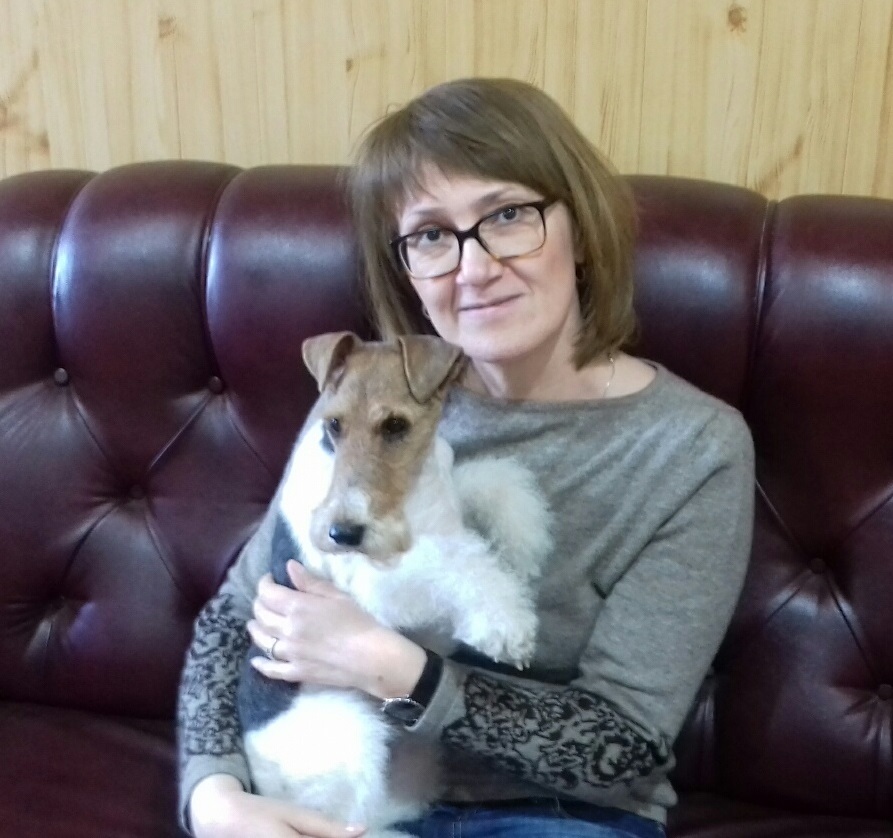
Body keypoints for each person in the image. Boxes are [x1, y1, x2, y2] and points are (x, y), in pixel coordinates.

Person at [177, 77, 755, 838]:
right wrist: (214, 796)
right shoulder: (360, 402)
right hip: (344, 791)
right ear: (406, 268)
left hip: (553, 816)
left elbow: (622, 748)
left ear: (581, 229)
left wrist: (390, 667)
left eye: (507, 216)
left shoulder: (693, 447)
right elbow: (232, 619)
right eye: (430, 236)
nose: (473, 268)